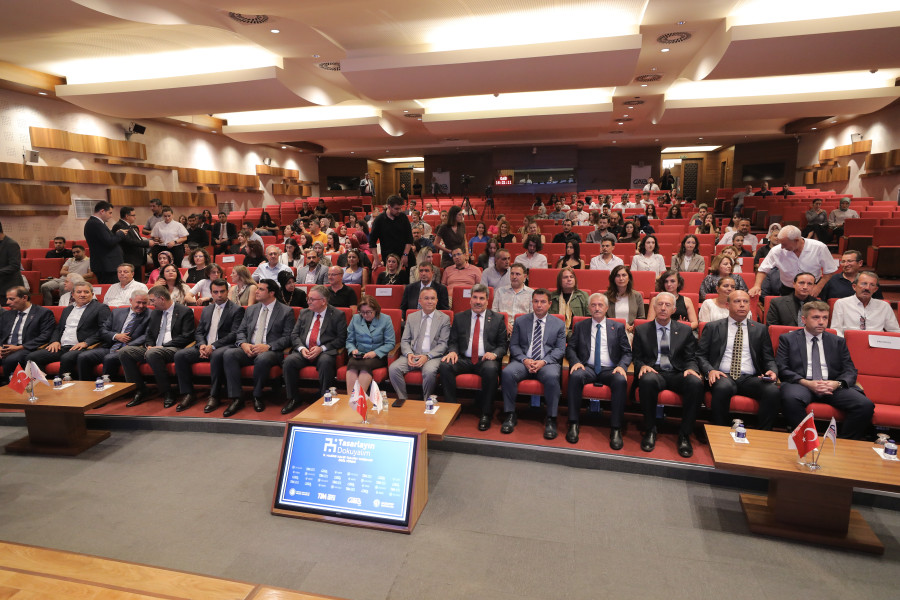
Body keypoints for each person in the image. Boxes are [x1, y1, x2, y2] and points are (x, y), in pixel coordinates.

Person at [775, 301, 874, 439]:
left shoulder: (838, 341)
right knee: (790, 398)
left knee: (865, 405)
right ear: (804, 319)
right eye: (816, 317)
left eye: (825, 318)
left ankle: (844, 443)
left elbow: (850, 370)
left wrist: (836, 384)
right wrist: (807, 383)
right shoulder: (788, 339)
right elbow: (782, 367)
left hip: (831, 385)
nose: (821, 322)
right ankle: (807, 440)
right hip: (802, 384)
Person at [633, 292, 705, 457]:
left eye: (667, 305)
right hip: (654, 371)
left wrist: (692, 368)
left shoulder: (685, 330)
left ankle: (685, 434)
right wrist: (642, 366)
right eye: (660, 304)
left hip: (677, 372)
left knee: (695, 383)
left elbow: (691, 357)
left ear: (674, 309)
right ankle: (650, 430)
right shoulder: (642, 330)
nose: (663, 308)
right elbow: (636, 357)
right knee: (647, 380)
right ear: (654, 307)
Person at [698, 290, 780, 429]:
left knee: (772, 391)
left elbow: (768, 358)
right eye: (737, 301)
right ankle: (719, 431)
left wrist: (772, 371)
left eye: (745, 301)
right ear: (727, 305)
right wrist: (710, 370)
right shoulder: (713, 327)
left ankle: (763, 433)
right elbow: (700, 355)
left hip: (750, 378)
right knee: (723, 387)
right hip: (723, 375)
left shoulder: (760, 329)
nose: (742, 305)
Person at [221, 279, 295, 416]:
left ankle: (257, 395)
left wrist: (268, 346)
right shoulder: (251, 309)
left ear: (271, 293)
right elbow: (241, 331)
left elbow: (288, 337)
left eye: (261, 289)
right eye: (257, 288)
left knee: (263, 358)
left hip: (271, 351)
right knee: (229, 354)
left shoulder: (286, 311)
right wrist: (243, 344)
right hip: (249, 347)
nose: (257, 291)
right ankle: (237, 397)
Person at [565, 293, 630, 447]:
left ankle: (616, 428)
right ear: (589, 308)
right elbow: (570, 348)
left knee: (620, 380)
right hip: (587, 367)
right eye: (593, 305)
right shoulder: (580, 326)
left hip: (610, 369)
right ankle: (573, 423)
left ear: (606, 308)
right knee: (575, 376)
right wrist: (575, 362)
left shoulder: (617, 327)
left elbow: (627, 352)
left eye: (600, 305)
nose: (597, 308)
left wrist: (621, 366)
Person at [500, 289, 566, 439]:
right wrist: (525, 359)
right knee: (507, 373)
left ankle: (551, 418)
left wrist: (543, 361)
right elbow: (514, 346)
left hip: (547, 363)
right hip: (524, 362)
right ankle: (510, 414)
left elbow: (560, 350)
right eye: (536, 301)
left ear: (549, 304)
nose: (539, 305)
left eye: (543, 302)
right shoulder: (520, 321)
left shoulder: (559, 324)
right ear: (532, 303)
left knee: (552, 377)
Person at [439, 286, 508, 430]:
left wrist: (494, 354)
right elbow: (453, 341)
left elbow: (503, 346)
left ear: (487, 301)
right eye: (475, 297)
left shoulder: (497, 319)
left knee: (490, 369)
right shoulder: (460, 317)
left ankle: (486, 413)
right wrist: (452, 351)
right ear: (470, 300)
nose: (478, 301)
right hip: (464, 359)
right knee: (445, 365)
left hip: (485, 359)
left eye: (482, 298)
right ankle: (452, 408)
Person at [172, 279, 244, 412]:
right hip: (205, 346)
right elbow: (199, 332)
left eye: (222, 291)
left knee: (216, 355)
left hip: (224, 346)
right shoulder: (207, 309)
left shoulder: (236, 310)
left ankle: (214, 396)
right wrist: (202, 345)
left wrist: (213, 346)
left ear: (227, 292)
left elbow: (234, 334)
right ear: (211, 293)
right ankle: (188, 393)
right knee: (180, 355)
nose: (219, 295)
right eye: (215, 292)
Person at [120, 286, 195, 408]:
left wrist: (162, 346)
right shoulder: (155, 313)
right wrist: (150, 345)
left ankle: (167, 392)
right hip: (154, 349)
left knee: (153, 354)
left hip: (174, 348)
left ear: (162, 299)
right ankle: (140, 390)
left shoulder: (184, 311)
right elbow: (149, 334)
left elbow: (187, 337)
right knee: (125, 352)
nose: (151, 304)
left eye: (152, 300)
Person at [282, 285, 347, 413]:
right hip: (304, 350)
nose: (308, 302)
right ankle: (294, 398)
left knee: (325, 362)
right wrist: (301, 348)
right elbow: (294, 335)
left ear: (323, 301)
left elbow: (341, 339)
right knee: (289, 361)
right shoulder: (304, 313)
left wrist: (321, 348)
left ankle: (324, 397)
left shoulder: (337, 315)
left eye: (312, 299)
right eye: (308, 298)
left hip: (324, 351)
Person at [26, 282, 110, 375]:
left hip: (81, 347)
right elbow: (59, 328)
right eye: (79, 292)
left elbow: (104, 329)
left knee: (67, 358)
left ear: (92, 294)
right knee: (32, 357)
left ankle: (63, 383)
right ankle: (43, 383)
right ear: (73, 295)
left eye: (86, 292)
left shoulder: (101, 308)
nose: (82, 295)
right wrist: (55, 341)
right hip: (62, 347)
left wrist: (87, 342)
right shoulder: (67, 309)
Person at [389, 287, 450, 404]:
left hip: (432, 357)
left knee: (429, 371)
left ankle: (426, 401)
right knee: (393, 368)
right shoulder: (412, 317)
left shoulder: (444, 318)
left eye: (433, 298)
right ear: (419, 301)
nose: (430, 301)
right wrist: (409, 354)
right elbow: (405, 340)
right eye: (426, 298)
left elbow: (443, 344)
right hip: (413, 354)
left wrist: (427, 356)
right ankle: (403, 399)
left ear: (437, 301)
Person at [76, 290, 151, 381]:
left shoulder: (150, 315)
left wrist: (129, 346)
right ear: (131, 301)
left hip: (129, 349)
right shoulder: (117, 312)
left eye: (144, 303)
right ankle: (86, 386)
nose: (141, 306)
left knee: (109, 358)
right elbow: (103, 330)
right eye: (138, 302)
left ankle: (108, 387)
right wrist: (115, 336)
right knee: (83, 357)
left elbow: (147, 335)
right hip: (110, 347)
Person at [751, 225, 839, 298]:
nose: (782, 247)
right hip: (787, 289)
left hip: (812, 289)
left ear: (796, 240)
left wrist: (818, 287)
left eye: (784, 244)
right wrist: (757, 286)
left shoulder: (819, 247)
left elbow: (830, 271)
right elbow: (763, 270)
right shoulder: (776, 251)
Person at [1, 286, 54, 380]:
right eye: (7, 299)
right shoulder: (7, 314)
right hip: (5, 348)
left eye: (11, 299)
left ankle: (9, 386)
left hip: (27, 348)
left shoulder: (43, 313)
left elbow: (45, 336)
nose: (7, 302)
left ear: (24, 298)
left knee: (11, 359)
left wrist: (20, 347)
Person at [345, 295, 395, 395]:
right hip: (359, 354)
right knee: (352, 363)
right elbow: (349, 341)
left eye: (368, 312)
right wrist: (353, 349)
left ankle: (359, 398)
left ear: (375, 310)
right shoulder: (355, 318)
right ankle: (350, 398)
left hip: (377, 356)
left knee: (366, 365)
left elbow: (390, 343)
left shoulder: (385, 319)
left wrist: (375, 353)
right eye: (362, 312)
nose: (365, 315)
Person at [831, 271, 900, 336]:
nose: (867, 288)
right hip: (849, 342)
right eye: (864, 283)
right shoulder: (841, 304)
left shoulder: (884, 306)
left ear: (875, 289)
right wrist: (845, 343)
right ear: (854, 287)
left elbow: (895, 331)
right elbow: (836, 330)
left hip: (877, 343)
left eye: (872, 285)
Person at [83, 201, 124, 284]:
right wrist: (120, 234)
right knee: (110, 289)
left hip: (107, 265)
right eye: (110, 213)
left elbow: (105, 239)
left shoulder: (96, 223)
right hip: (106, 265)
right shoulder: (95, 223)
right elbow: (109, 241)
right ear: (102, 211)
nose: (111, 216)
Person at [369, 196, 414, 270]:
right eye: (396, 209)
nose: (399, 211)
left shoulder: (403, 217)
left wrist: (405, 254)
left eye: (400, 208)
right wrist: (376, 259)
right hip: (389, 257)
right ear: (389, 207)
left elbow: (409, 238)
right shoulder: (379, 220)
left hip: (405, 254)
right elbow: (372, 241)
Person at [112, 206, 154, 282]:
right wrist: (147, 243)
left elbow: (136, 239)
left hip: (137, 260)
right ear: (127, 216)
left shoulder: (129, 225)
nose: (135, 217)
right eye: (133, 215)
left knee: (138, 282)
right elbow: (130, 241)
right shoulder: (120, 225)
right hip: (130, 260)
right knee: (132, 282)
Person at [605, 265, 645, 334]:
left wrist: (632, 327)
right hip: (611, 330)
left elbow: (641, 318)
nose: (621, 278)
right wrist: (622, 324)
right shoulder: (606, 296)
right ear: (613, 279)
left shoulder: (637, 296)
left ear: (629, 278)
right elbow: (603, 317)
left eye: (624, 275)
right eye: (617, 276)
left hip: (630, 331)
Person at [549, 267, 588, 335]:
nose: (569, 279)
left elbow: (589, 316)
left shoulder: (583, 296)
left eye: (571, 277)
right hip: (555, 332)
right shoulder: (552, 296)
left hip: (576, 333)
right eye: (565, 277)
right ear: (560, 281)